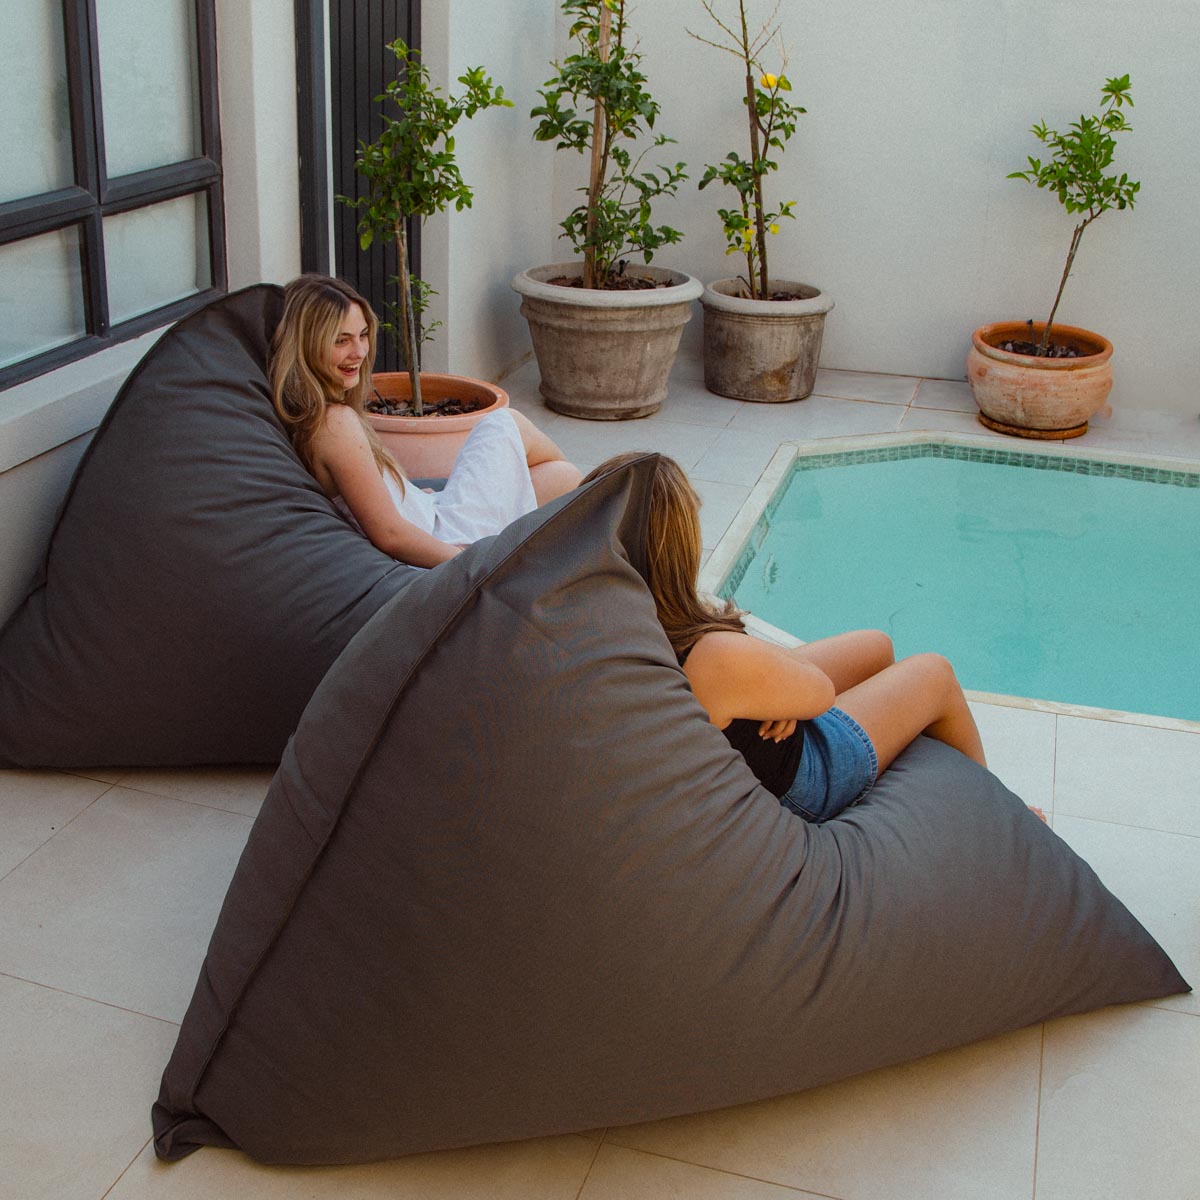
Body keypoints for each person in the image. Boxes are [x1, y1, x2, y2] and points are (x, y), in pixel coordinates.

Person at [584, 452, 1042, 824]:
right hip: (807, 778)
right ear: (679, 552)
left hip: (756, 714)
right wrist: (786, 699)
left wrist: (771, 692)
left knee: (876, 645)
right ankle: (1003, 821)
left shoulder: (614, 625)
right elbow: (818, 694)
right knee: (934, 673)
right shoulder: (711, 656)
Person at [269, 274, 581, 567]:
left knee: (561, 477)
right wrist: (471, 568)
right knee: (508, 426)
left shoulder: (316, 416)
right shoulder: (334, 424)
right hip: (445, 539)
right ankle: (587, 534)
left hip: (432, 515)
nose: (360, 351)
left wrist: (414, 496)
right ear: (307, 346)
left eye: (363, 335)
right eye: (341, 341)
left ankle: (574, 534)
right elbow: (390, 535)